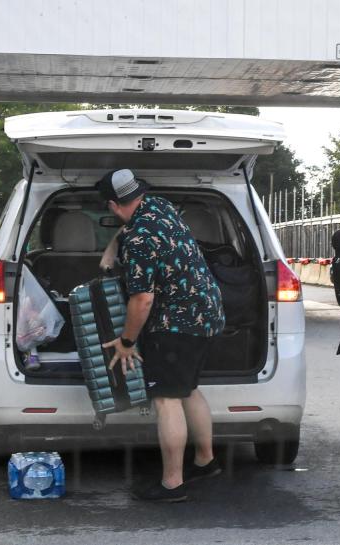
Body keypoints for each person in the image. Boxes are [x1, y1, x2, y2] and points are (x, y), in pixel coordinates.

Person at [95, 168, 226, 502]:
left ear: (113, 205)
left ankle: (172, 484)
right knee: (187, 389)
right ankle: (206, 460)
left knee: (167, 398)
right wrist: (112, 247)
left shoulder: (138, 241)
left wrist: (125, 342)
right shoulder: (158, 205)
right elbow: (129, 226)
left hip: (176, 323)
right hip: (207, 313)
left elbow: (142, 300)